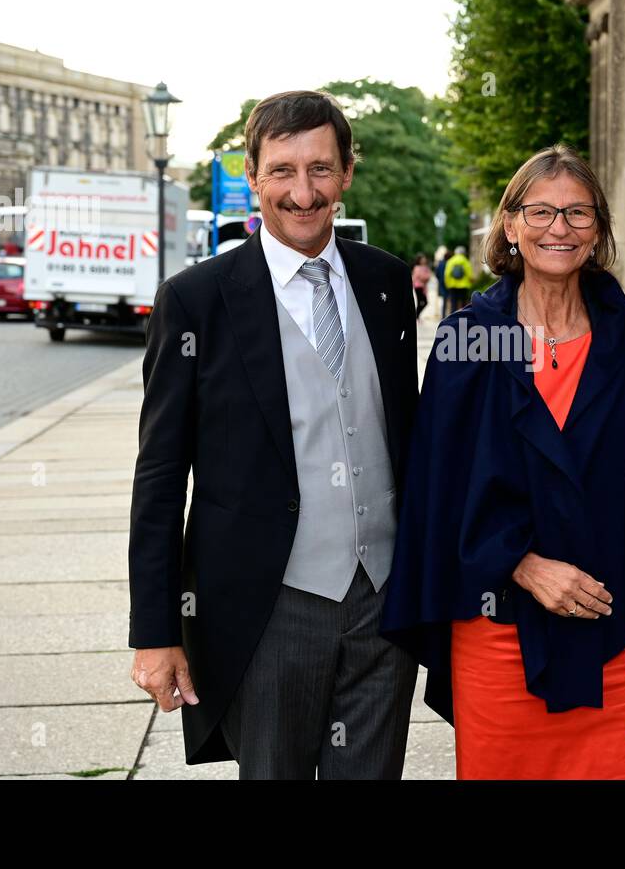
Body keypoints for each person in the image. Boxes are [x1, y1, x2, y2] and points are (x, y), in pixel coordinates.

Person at [127, 90, 420, 778]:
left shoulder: (384, 283)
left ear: (347, 172)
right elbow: (161, 477)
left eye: (320, 169)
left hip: (386, 605)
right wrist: (155, 632)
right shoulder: (197, 300)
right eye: (282, 170)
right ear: (252, 176)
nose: (303, 191)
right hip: (267, 612)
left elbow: (403, 435)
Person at [382, 145, 625, 780]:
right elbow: (436, 491)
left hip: (621, 627)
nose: (559, 228)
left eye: (578, 213)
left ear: (598, 229)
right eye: (541, 211)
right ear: (511, 226)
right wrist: (520, 563)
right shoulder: (468, 339)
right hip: (500, 631)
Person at [443, 244, 473, 311]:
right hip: (464, 286)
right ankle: (462, 321)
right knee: (463, 306)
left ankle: (453, 320)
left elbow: (447, 274)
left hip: (452, 286)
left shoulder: (450, 261)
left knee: (453, 304)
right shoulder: (465, 261)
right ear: (464, 253)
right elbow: (469, 275)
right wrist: (471, 282)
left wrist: (448, 284)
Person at [411, 253, 432, 319]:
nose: (424, 260)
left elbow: (429, 276)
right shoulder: (417, 267)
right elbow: (422, 277)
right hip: (418, 286)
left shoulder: (425, 267)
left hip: (423, 287)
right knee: (421, 301)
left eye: (424, 259)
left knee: (424, 302)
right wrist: (426, 276)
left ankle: (416, 315)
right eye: (422, 259)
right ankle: (416, 316)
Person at [433, 245, 449, 318]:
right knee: (449, 300)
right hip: (449, 283)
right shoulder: (449, 263)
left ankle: (443, 315)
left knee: (444, 300)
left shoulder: (440, 263)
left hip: (442, 283)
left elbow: (436, 274)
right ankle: (448, 314)